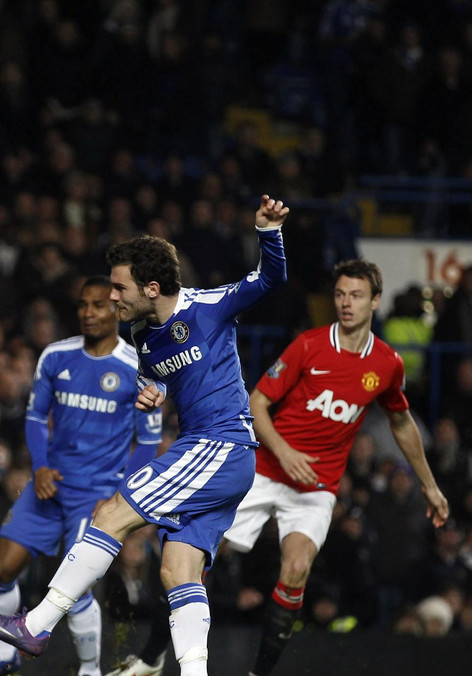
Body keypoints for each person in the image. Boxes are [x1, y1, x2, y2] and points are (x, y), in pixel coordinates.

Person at [0, 195, 291, 676]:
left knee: (111, 513)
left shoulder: (209, 308)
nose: (112, 298)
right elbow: (160, 375)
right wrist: (155, 392)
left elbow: (270, 279)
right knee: (177, 572)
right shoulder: (143, 335)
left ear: (153, 286)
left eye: (120, 289)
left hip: (220, 446)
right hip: (213, 455)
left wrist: (268, 232)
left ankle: (37, 625)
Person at [110, 259, 450, 676]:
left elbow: (401, 420)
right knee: (193, 558)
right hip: (264, 468)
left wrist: (429, 486)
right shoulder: (309, 345)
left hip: (317, 487)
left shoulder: (386, 363)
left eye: (356, 295)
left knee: (296, 571)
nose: (346, 303)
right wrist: (286, 452)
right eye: (340, 294)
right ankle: (152, 656)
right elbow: (257, 403)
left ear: (375, 301)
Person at [0, 276, 162, 676]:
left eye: (97, 305)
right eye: (82, 305)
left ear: (117, 309)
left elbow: (147, 443)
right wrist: (39, 465)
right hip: (50, 483)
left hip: (96, 493)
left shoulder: (137, 368)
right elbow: (35, 417)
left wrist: (118, 496)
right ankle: (3, 661)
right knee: (0, 571)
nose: (87, 313)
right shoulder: (55, 356)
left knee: (72, 591)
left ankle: (89, 670)